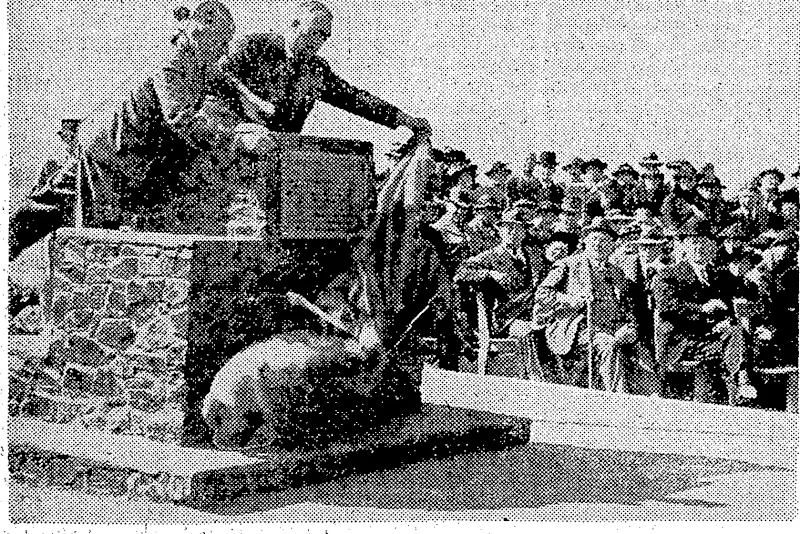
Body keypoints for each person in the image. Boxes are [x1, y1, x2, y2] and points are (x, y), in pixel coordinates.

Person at [9, 1, 238, 260]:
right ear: (202, 32)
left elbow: (228, 88)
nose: (225, 50)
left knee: (46, 208)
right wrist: (234, 139)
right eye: (222, 41)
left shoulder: (198, 63)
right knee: (97, 241)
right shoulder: (175, 62)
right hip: (110, 158)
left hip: (114, 152)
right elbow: (179, 118)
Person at [207, 0, 430, 137]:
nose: (318, 41)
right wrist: (250, 106)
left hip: (282, 154)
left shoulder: (316, 71)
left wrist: (404, 119)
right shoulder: (254, 46)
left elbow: (355, 99)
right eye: (314, 32)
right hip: (231, 146)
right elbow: (214, 79)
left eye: (324, 36)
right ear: (294, 24)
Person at [652, 219, 757, 405]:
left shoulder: (720, 275)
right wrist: (702, 309)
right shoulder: (668, 274)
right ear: (684, 246)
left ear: (713, 248)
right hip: (681, 340)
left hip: (710, 339)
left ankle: (739, 391)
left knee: (736, 332)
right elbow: (667, 307)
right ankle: (740, 386)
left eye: (704, 243)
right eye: (693, 243)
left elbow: (747, 296)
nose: (699, 248)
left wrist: (751, 278)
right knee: (730, 346)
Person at [534, 217, 639, 392]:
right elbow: (542, 293)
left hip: (614, 326)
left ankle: (653, 401)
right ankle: (619, 401)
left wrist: (630, 326)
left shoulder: (616, 271)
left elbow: (629, 304)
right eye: (594, 239)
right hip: (579, 327)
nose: (598, 245)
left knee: (643, 351)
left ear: (612, 246)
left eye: (605, 241)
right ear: (585, 242)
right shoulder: (568, 265)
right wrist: (569, 299)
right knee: (608, 346)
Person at [455, 207, 545, 338]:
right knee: (533, 332)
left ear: (524, 232)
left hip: (534, 313)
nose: (512, 232)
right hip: (505, 319)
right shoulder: (490, 256)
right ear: (500, 231)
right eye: (508, 228)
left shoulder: (534, 256)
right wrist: (490, 274)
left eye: (517, 228)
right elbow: (461, 273)